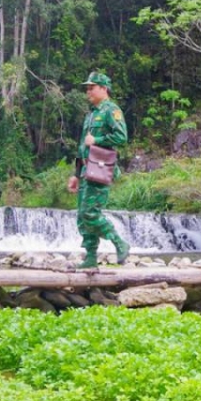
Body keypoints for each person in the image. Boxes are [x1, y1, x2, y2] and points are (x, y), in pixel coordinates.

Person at [66, 71, 130, 268]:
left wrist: (98, 140)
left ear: (103, 89)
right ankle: (91, 257)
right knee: (82, 216)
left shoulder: (112, 110)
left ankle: (119, 242)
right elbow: (82, 146)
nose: (88, 91)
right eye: (87, 88)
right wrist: (76, 175)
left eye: (91, 87)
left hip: (101, 169)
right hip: (86, 171)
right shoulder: (91, 115)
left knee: (91, 214)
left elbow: (122, 137)